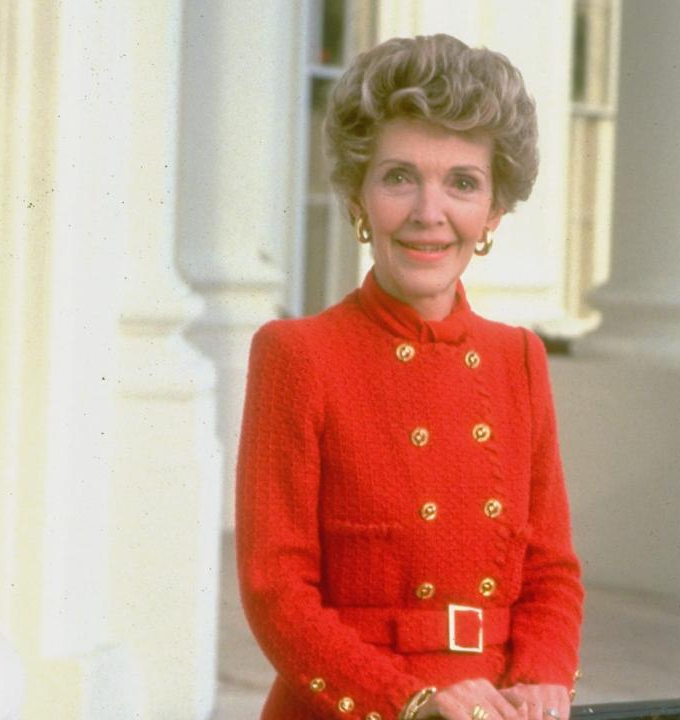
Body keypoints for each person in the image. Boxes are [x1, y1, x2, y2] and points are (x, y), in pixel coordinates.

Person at [237, 33, 583, 720]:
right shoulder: (297, 354)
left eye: (462, 182)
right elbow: (277, 592)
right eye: (399, 177)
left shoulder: (519, 357)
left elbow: (551, 571)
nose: (430, 213)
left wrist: (544, 677)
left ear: (493, 212)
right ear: (358, 199)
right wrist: (411, 701)